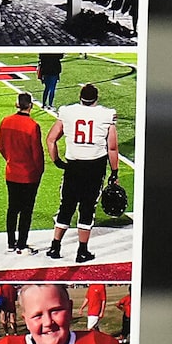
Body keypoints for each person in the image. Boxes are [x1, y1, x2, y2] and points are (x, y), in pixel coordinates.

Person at [44, 82, 121, 265]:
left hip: (73, 166)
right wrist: (115, 171)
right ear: (96, 98)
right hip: (95, 168)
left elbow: (51, 139)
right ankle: (82, 251)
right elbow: (112, 147)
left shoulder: (67, 111)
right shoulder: (106, 114)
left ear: (80, 97)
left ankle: (55, 246)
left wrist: (57, 161)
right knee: (87, 209)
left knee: (66, 206)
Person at [0, 90, 45, 255]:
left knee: (12, 208)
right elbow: (37, 154)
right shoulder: (33, 126)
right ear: (30, 106)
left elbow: (1, 147)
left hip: (12, 171)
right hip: (29, 174)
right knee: (26, 210)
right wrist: (39, 172)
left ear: (17, 104)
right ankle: (21, 243)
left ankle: (11, 242)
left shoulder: (6, 121)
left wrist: (10, 159)